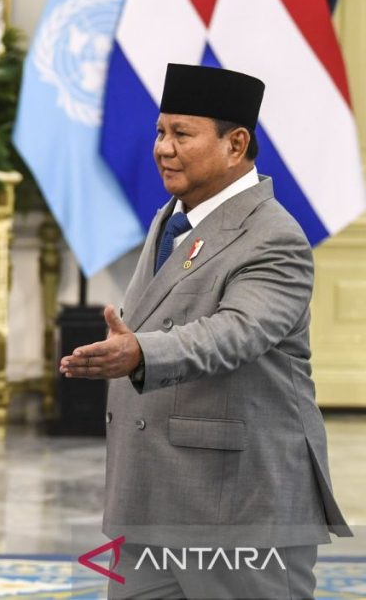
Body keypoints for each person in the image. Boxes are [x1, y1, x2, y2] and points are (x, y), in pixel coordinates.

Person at [60, 63, 350, 598]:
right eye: (159, 132)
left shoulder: (275, 237)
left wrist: (141, 354)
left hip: (238, 507)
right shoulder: (170, 218)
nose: (163, 149)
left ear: (235, 144)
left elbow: (235, 332)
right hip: (147, 502)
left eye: (181, 134)